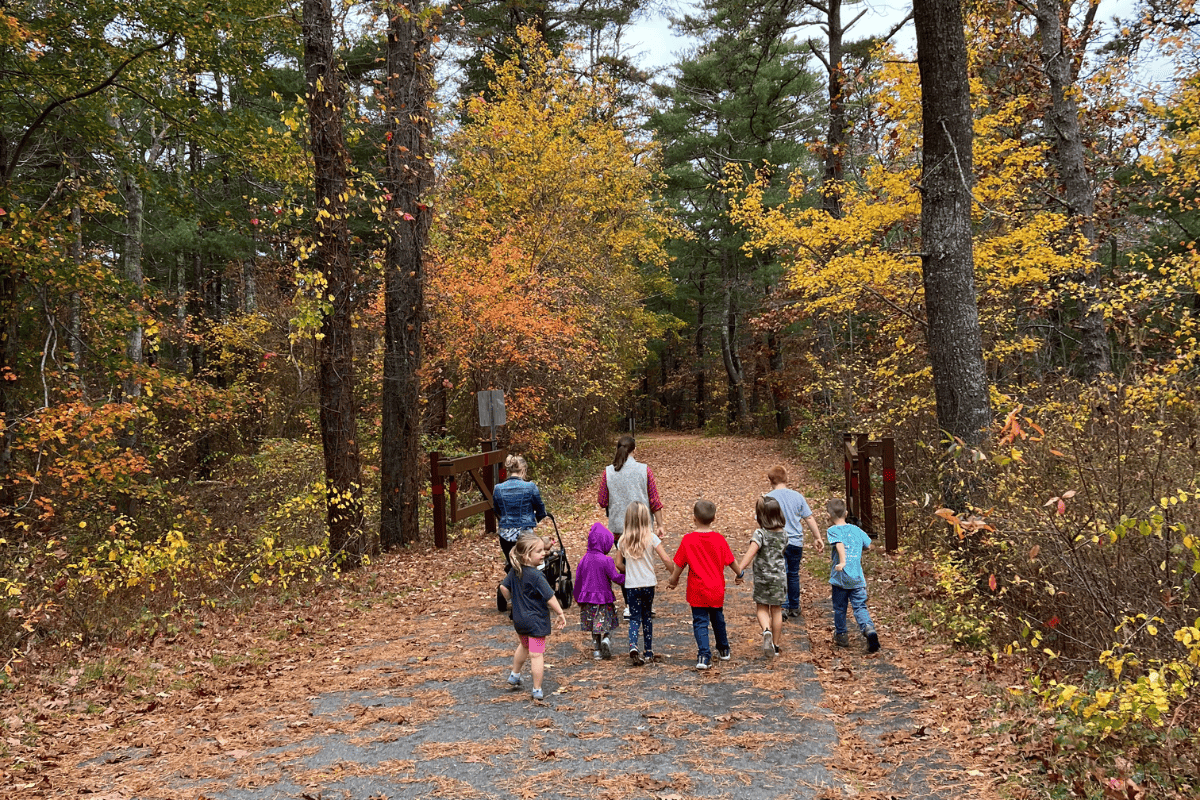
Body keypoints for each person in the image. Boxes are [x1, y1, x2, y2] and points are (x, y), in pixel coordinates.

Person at [667, 499, 741, 670]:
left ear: (694, 518)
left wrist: (673, 580)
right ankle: (723, 649)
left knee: (700, 621)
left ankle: (703, 655)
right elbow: (731, 561)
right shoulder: (719, 540)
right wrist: (740, 573)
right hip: (716, 589)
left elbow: (679, 565)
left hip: (697, 590)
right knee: (718, 619)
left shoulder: (688, 540)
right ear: (714, 518)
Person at [598, 434, 667, 618]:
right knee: (643, 562)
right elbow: (654, 500)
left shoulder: (608, 472)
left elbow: (602, 500)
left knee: (625, 564)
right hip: (644, 526)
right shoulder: (645, 470)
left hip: (619, 528)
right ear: (634, 450)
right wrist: (660, 524)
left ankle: (630, 603)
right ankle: (647, 603)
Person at [500, 533, 568, 700]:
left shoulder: (516, 572)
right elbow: (550, 596)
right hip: (535, 622)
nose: (543, 553)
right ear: (526, 555)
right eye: (538, 551)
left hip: (519, 620)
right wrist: (560, 613)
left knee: (524, 646)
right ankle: (537, 689)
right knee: (536, 654)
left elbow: (503, 587)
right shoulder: (537, 576)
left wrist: (511, 599)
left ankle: (514, 675)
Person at [617, 501, 673, 665]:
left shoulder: (623, 540)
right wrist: (674, 575)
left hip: (632, 586)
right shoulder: (652, 538)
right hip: (648, 584)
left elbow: (618, 564)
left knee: (634, 618)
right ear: (645, 519)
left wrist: (629, 572)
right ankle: (648, 651)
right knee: (647, 616)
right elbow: (665, 558)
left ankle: (633, 646)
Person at [765, 465, 824, 619]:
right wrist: (817, 537)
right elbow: (809, 517)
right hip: (796, 542)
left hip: (777, 542)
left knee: (780, 574)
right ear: (787, 478)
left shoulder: (768, 498)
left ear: (770, 480)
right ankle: (794, 606)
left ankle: (782, 606)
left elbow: (763, 522)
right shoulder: (797, 496)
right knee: (793, 574)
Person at [492, 454, 547, 611]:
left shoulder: (498, 489)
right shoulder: (530, 487)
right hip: (525, 533)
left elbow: (497, 510)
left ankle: (509, 590)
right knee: (527, 563)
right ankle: (528, 594)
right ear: (523, 470)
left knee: (513, 562)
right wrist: (534, 518)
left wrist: (506, 522)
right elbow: (541, 509)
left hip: (505, 534)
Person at [734, 496, 788, 658]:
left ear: (761, 516)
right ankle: (776, 646)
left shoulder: (760, 534)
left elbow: (750, 554)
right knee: (777, 610)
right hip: (779, 578)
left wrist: (739, 570)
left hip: (763, 578)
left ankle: (766, 630)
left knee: (762, 607)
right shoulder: (784, 535)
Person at [826, 498, 881, 653]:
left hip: (840, 578)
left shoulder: (833, 530)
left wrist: (842, 561)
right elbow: (868, 545)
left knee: (839, 608)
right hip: (857, 578)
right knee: (859, 606)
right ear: (846, 513)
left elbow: (839, 544)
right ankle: (868, 628)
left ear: (828, 515)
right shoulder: (857, 530)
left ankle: (842, 635)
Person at [573, 522, 626, 659]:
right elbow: (615, 577)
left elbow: (578, 580)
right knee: (606, 621)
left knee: (594, 626)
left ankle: (596, 650)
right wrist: (627, 578)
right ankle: (607, 638)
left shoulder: (583, 560)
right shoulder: (606, 560)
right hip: (603, 599)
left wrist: (577, 597)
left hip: (587, 599)